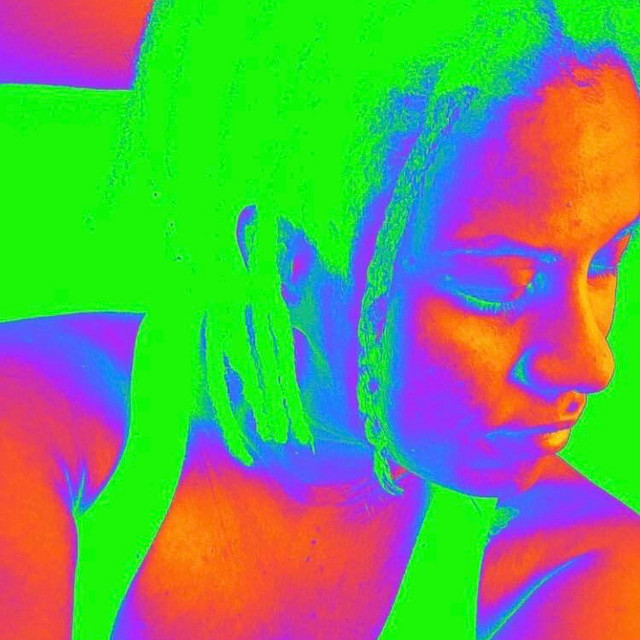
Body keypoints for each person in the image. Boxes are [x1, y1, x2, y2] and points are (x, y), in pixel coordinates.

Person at [1, 1, 639, 639]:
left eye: (607, 262)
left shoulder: (581, 564)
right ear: (285, 256)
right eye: (499, 282)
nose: (590, 364)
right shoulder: (36, 420)